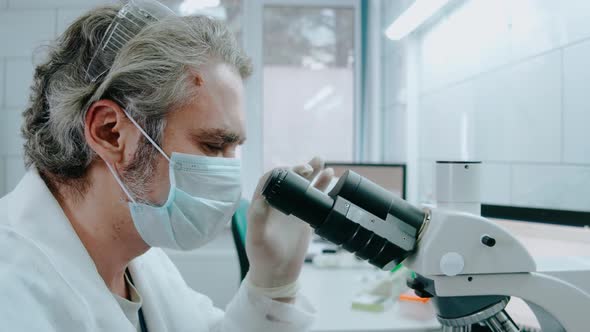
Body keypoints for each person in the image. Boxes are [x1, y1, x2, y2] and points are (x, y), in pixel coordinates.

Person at [0, 2, 334, 331]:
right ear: (111, 133)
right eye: (213, 145)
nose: (230, 175)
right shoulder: (13, 295)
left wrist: (271, 285)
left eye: (234, 149)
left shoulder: (138, 257)